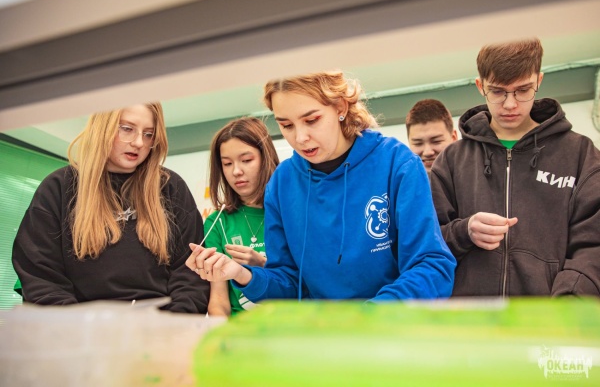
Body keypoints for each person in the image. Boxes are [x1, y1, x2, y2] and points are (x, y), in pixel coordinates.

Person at [187, 70, 456, 302]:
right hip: (322, 336)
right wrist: (242, 275)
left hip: (390, 330)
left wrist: (371, 315)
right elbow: (289, 282)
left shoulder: (397, 163)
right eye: (286, 125)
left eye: (311, 120)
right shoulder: (282, 183)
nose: (300, 138)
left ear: (340, 107)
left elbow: (431, 266)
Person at [429, 37, 600, 297]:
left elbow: (593, 243)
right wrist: (464, 232)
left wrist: (570, 303)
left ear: (538, 81)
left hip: (552, 316)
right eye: (498, 91)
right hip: (469, 317)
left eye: (523, 90)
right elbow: (425, 243)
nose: (510, 104)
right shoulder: (452, 160)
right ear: (480, 86)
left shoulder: (579, 154)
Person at [12, 103, 210, 313]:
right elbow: (41, 276)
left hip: (160, 328)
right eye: (127, 129)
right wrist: (81, 327)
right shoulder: (58, 187)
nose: (139, 142)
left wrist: (170, 325)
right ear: (102, 128)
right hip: (78, 327)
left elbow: (190, 275)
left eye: (148, 134)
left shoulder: (170, 187)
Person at [196, 116, 279, 316]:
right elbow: (218, 301)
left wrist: (261, 264)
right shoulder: (217, 222)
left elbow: (305, 283)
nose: (236, 171)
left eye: (247, 160)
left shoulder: (289, 212)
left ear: (265, 158)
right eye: (227, 163)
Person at [406, 99, 457, 172]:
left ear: (454, 138)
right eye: (418, 143)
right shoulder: (399, 177)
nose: (427, 152)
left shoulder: (472, 174)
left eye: (436, 141)